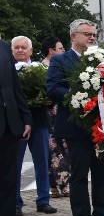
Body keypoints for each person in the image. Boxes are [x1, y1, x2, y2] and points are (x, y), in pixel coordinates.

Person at [47, 20, 104, 216]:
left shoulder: (101, 61)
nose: (92, 37)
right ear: (73, 36)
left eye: (93, 34)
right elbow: (53, 88)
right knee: (80, 173)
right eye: (87, 34)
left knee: (101, 171)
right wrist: (78, 96)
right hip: (75, 126)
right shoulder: (61, 60)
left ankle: (102, 214)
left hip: (101, 125)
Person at [11, 36, 57, 216]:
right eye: (17, 48)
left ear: (31, 51)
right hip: (17, 123)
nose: (20, 50)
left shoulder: (40, 69)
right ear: (12, 51)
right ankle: (15, 203)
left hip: (39, 120)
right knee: (14, 164)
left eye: (24, 48)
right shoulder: (7, 70)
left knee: (42, 161)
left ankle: (43, 200)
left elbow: (49, 91)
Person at [0, 37, 38, 216]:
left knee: (7, 183)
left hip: (8, 124)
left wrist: (25, 117)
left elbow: (14, 85)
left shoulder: (4, 46)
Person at [40, 37, 70, 199]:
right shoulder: (40, 67)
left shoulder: (61, 64)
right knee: (52, 151)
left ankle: (64, 182)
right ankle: (53, 185)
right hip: (47, 113)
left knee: (64, 149)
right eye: (60, 48)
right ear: (51, 50)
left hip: (60, 110)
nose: (63, 51)